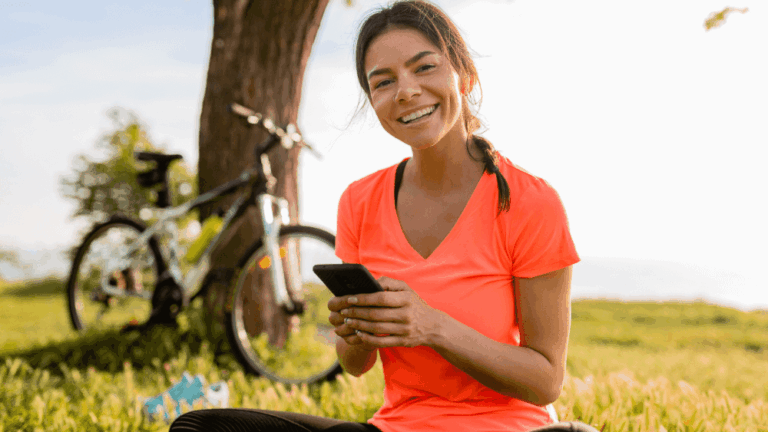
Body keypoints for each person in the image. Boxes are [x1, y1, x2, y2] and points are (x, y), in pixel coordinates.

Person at [170, 1, 597, 431]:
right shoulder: (360, 201)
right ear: (374, 101)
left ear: (465, 76)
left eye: (424, 67)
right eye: (384, 82)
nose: (405, 91)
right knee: (199, 427)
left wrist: (432, 327)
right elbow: (355, 365)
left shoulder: (529, 201)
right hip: (397, 427)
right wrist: (355, 332)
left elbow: (546, 381)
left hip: (508, 428)